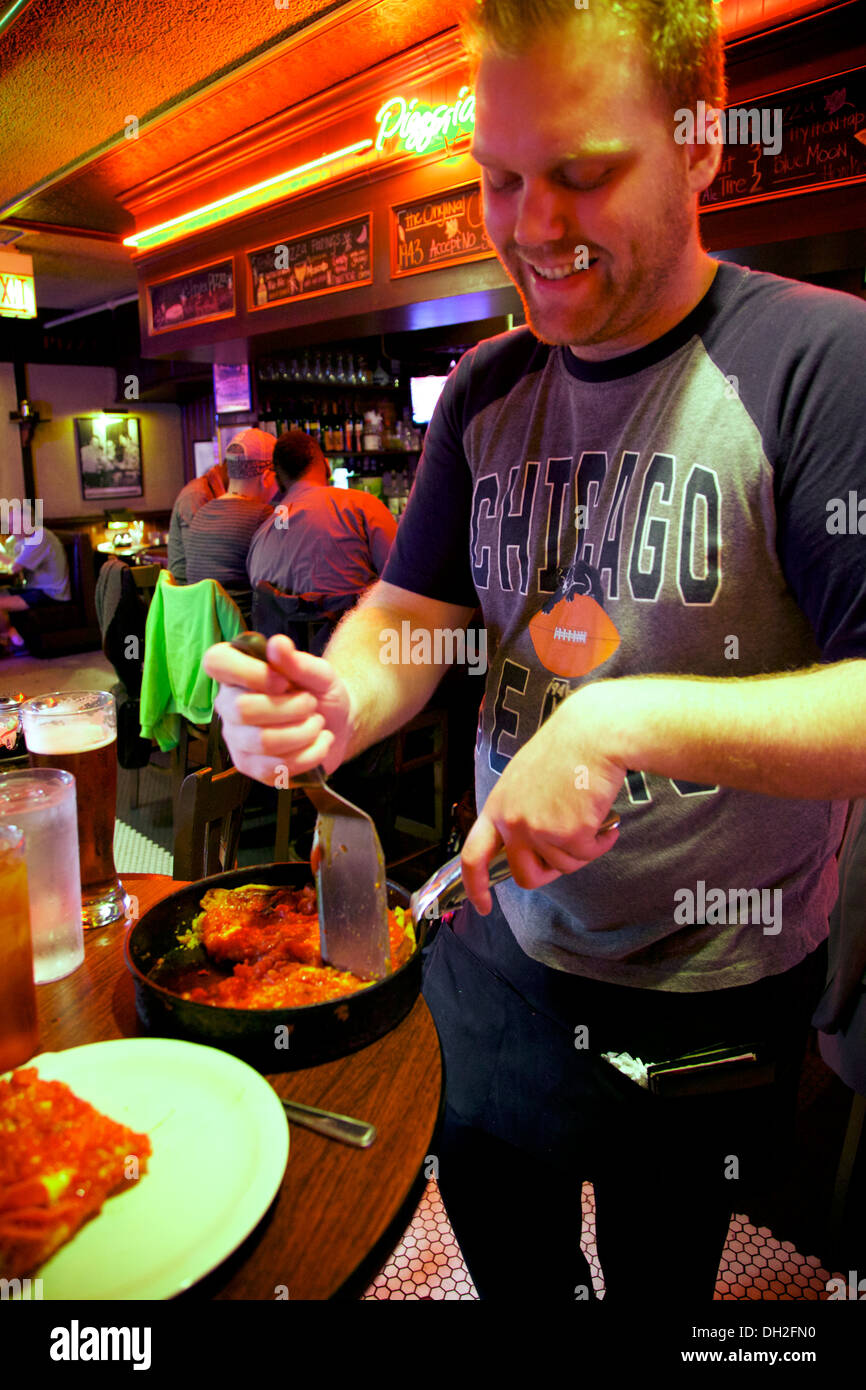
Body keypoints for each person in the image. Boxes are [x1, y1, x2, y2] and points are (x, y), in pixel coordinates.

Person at [204, 0, 866, 1301]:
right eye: (499, 178)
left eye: (581, 170)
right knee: (505, 1245)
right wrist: (342, 695)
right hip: (497, 930)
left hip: (708, 979)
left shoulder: (818, 360)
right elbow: (416, 611)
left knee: (659, 1265)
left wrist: (618, 726)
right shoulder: (486, 387)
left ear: (701, 143)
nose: (529, 226)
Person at [246, 429, 397, 608]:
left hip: (285, 636)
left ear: (278, 482)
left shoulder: (263, 535)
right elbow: (401, 577)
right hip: (357, 632)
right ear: (326, 466)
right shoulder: (361, 506)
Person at [185, 428, 276, 615]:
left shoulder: (202, 513)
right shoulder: (263, 515)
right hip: (245, 636)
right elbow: (281, 582)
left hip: (204, 632)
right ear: (266, 477)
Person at [0, 527, 71, 650]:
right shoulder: (26, 539)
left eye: (12, 524)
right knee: (2, 592)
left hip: (51, 592)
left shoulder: (41, 536)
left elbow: (14, 568)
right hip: (34, 589)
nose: (10, 529)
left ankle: (10, 635)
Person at [167, 458, 229, 581]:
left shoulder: (210, 491)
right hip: (188, 590)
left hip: (200, 586)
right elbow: (200, 557)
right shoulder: (197, 494)